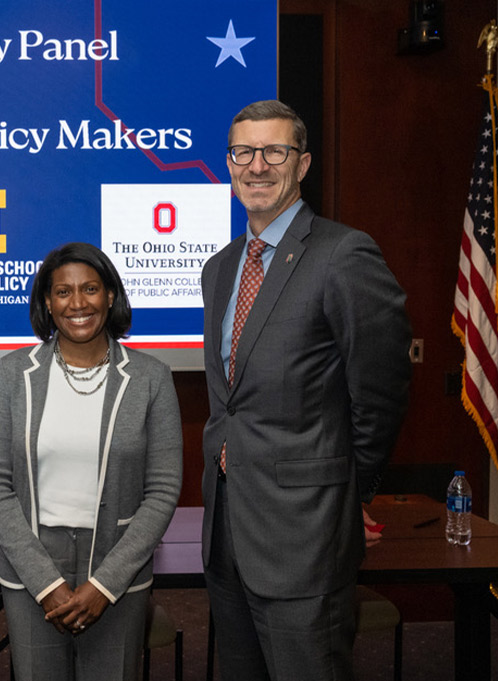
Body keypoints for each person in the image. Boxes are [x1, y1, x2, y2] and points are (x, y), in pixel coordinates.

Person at [200, 100, 412, 681]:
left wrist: (348, 492)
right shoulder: (219, 269)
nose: (257, 165)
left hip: (307, 536)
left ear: (303, 163)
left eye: (275, 151)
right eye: (244, 152)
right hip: (228, 533)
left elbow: (381, 393)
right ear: (229, 163)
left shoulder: (344, 255)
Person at [0, 242, 183, 681]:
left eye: (90, 288)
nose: (78, 303)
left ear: (110, 295)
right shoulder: (13, 373)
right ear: (47, 303)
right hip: (32, 568)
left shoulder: (151, 378)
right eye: (63, 292)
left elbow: (163, 490)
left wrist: (105, 585)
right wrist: (45, 583)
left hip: (118, 567)